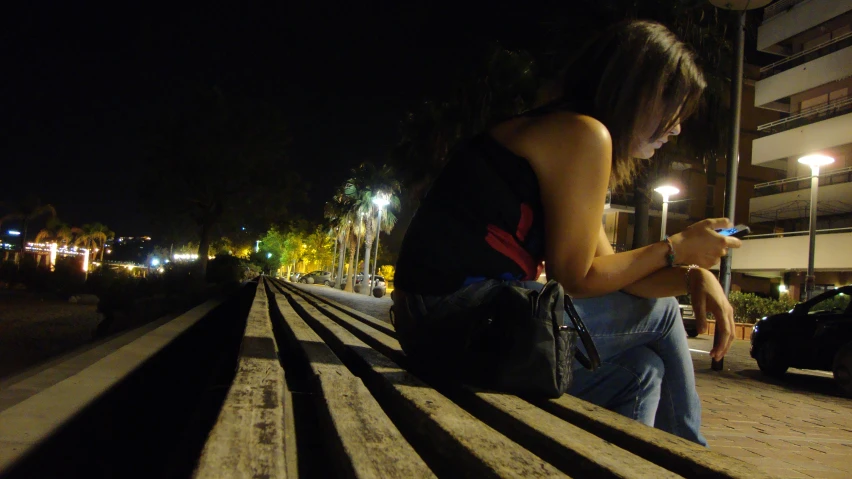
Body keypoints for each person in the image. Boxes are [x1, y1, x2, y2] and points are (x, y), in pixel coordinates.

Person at [391, 19, 740, 446]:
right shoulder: (582, 134)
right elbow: (575, 279)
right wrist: (677, 247)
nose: (677, 127)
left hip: (448, 329)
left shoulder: (565, 133)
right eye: (673, 109)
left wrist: (690, 275)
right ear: (638, 92)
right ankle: (693, 458)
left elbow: (613, 276)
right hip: (453, 322)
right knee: (664, 314)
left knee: (643, 370)